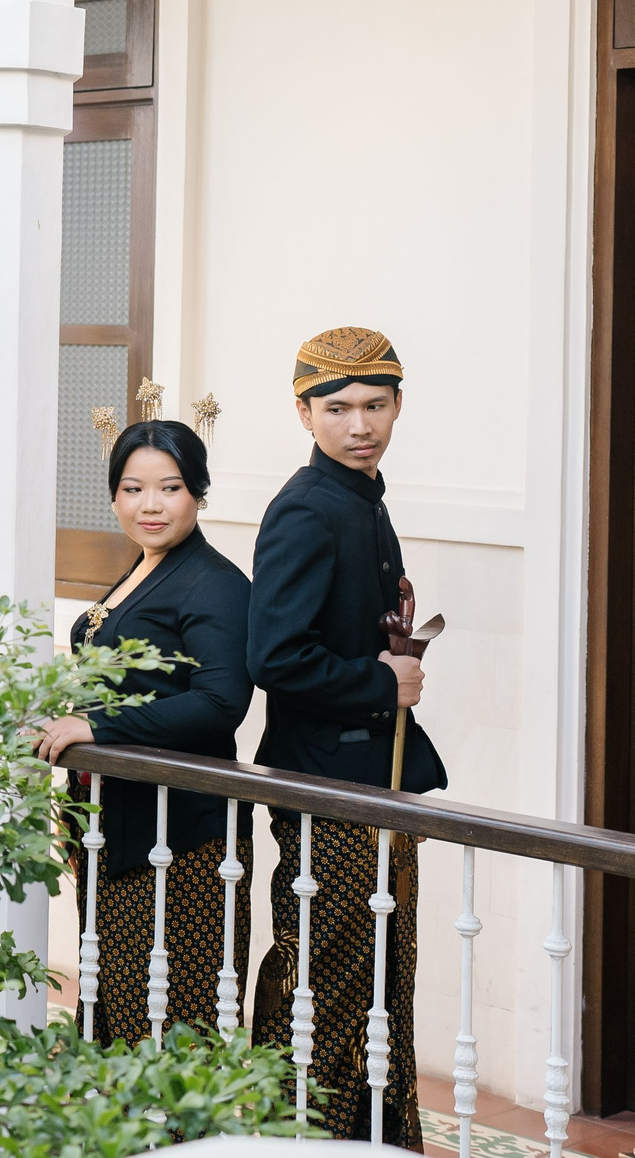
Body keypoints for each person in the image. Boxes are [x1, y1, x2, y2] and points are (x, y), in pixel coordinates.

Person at [247, 326, 446, 1149]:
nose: (358, 423)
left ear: (398, 405)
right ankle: (292, 1138)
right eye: (338, 408)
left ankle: (378, 1137)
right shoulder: (306, 509)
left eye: (374, 404)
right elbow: (275, 656)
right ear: (304, 412)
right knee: (324, 973)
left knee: (379, 967)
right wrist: (379, 682)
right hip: (325, 781)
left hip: (370, 773)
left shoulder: (364, 496)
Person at [34, 418, 252, 1046]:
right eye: (132, 489)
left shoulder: (215, 584)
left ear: (199, 494)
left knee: (166, 1016)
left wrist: (95, 725)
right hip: (114, 824)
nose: (149, 505)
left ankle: (172, 1145)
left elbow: (220, 702)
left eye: (170, 488)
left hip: (179, 836)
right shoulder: (146, 567)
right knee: (111, 999)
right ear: (113, 495)